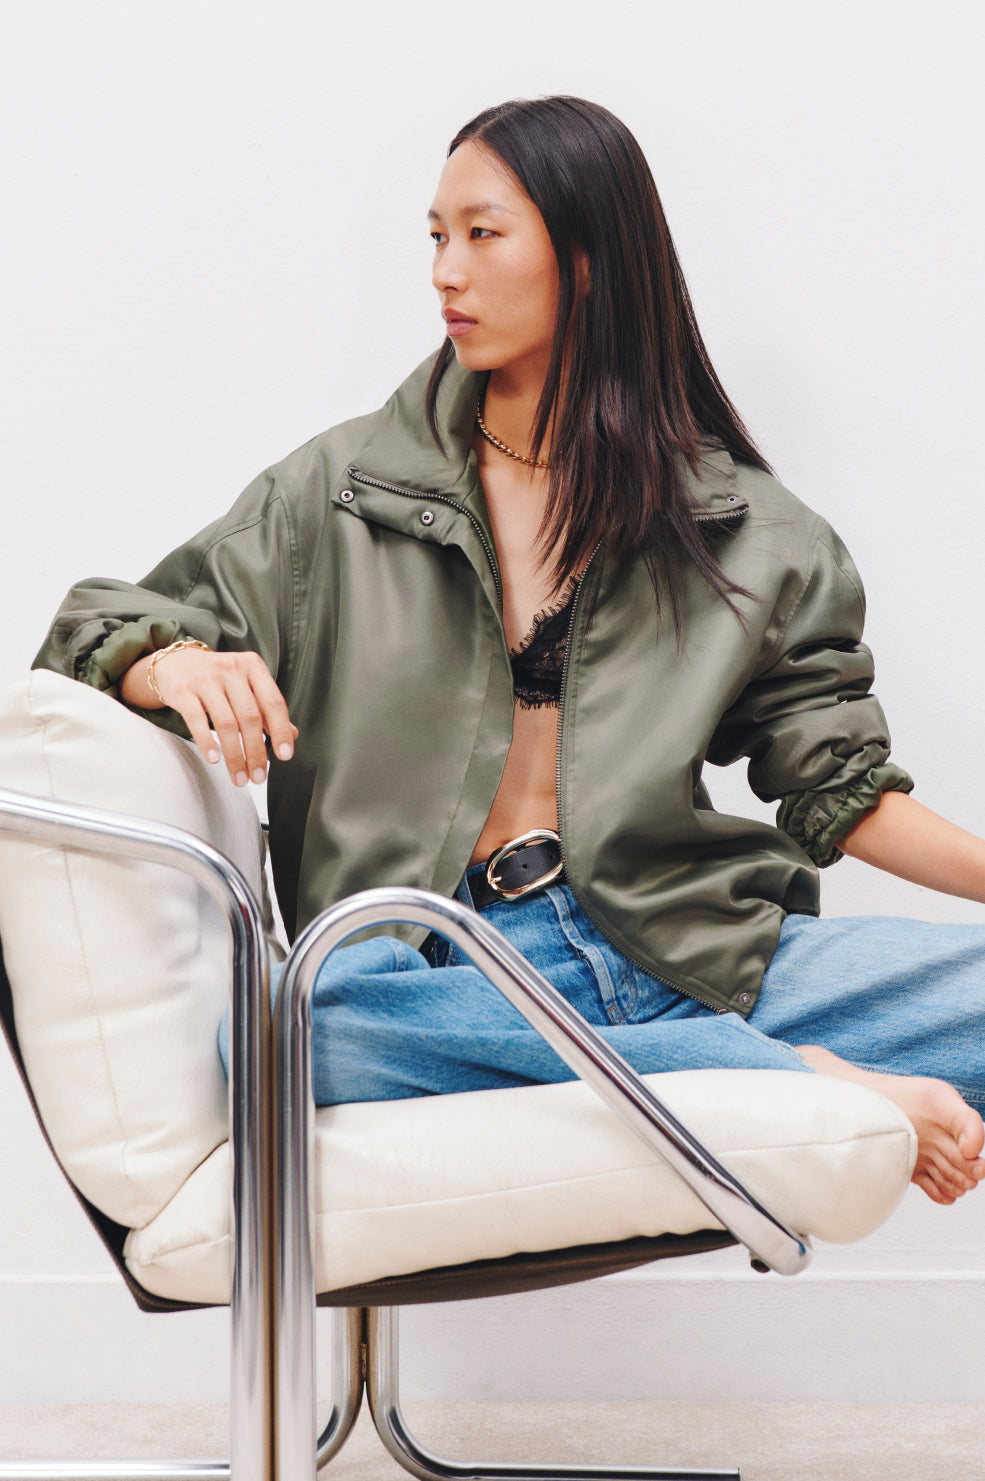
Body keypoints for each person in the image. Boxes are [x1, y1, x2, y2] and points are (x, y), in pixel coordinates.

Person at [35, 96, 985, 1208]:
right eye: (436, 237)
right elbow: (97, 623)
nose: (446, 271)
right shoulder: (335, 496)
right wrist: (170, 660)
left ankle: (735, 1073)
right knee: (306, 1041)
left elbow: (839, 792)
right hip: (439, 972)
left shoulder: (747, 530)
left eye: (481, 234)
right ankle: (800, 1090)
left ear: (586, 258)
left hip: (687, 954)